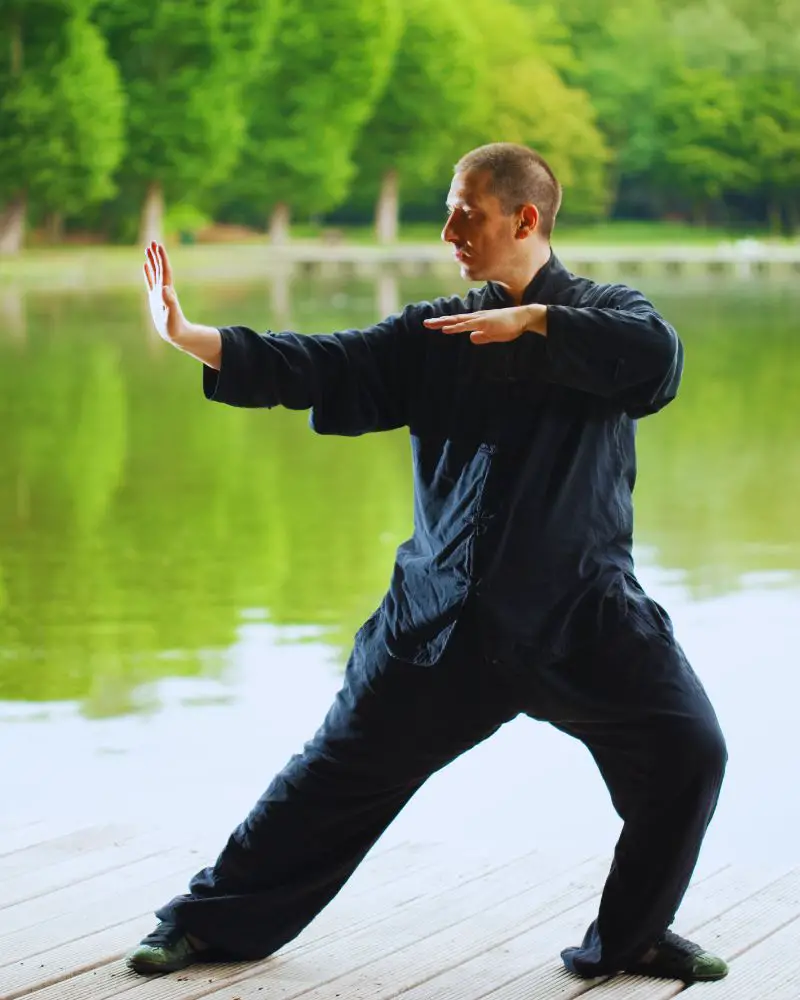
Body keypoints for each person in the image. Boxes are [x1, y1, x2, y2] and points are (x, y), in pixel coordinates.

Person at [129, 143, 728, 984]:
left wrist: (537, 322)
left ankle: (632, 939)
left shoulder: (605, 314)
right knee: (328, 782)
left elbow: (657, 362)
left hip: (582, 620)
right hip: (442, 623)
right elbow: (321, 362)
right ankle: (201, 926)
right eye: (448, 209)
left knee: (689, 754)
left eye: (467, 212)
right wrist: (191, 337)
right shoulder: (434, 333)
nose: (449, 230)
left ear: (525, 219)